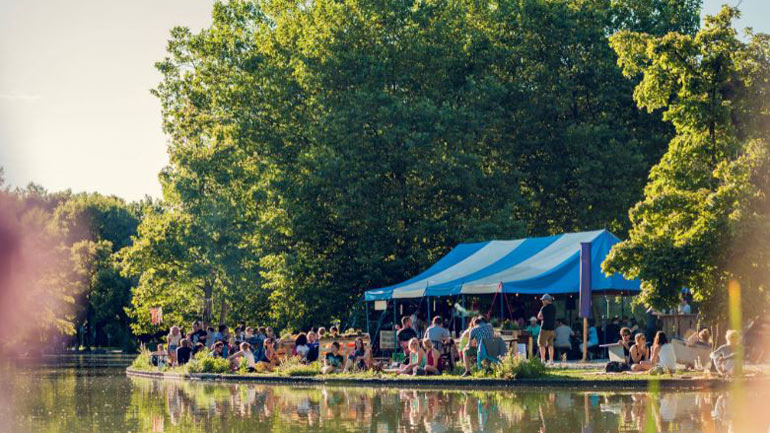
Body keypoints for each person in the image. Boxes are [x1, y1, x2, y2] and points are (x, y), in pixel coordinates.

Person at [537, 294, 557, 364]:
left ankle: (542, 360)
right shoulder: (554, 308)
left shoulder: (544, 308)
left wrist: (543, 317)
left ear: (547, 300)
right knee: (550, 345)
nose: (542, 301)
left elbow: (539, 316)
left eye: (543, 300)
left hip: (544, 328)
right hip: (552, 329)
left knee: (542, 344)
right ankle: (551, 360)